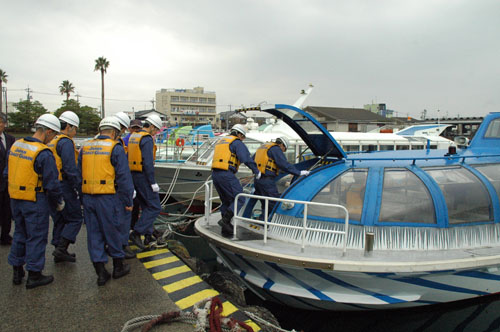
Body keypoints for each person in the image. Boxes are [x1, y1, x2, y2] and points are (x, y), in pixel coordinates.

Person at [6, 114, 64, 289]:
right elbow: (52, 183)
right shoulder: (43, 153)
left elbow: (6, 172)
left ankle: (17, 271)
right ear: (48, 131)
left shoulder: (16, 145)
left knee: (20, 233)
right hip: (35, 199)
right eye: (53, 135)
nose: (52, 139)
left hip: (15, 197)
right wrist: (58, 201)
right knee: (36, 236)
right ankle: (34, 274)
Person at [79, 117, 134, 286]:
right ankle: (118, 267)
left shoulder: (85, 147)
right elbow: (124, 177)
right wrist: (128, 201)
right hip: (108, 197)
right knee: (113, 231)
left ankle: (101, 272)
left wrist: (82, 198)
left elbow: (78, 173)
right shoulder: (114, 148)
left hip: (88, 196)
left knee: (94, 234)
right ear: (114, 132)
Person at [211, 124, 260, 237]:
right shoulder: (236, 142)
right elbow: (245, 158)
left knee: (227, 201)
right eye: (243, 137)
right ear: (239, 134)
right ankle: (226, 221)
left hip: (215, 174)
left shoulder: (222, 141)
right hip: (226, 174)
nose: (242, 139)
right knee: (240, 198)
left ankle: (226, 227)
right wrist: (256, 171)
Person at [48, 111, 83, 263]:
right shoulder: (66, 142)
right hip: (64, 185)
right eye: (75, 128)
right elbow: (70, 168)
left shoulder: (52, 140)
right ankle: (61, 248)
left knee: (60, 219)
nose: (75, 132)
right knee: (75, 218)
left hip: (51, 185)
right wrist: (79, 188)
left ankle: (58, 248)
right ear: (68, 126)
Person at [128, 114, 162, 250]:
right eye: (156, 130)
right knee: (155, 207)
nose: (156, 133)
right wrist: (152, 182)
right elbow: (147, 163)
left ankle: (148, 235)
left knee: (146, 206)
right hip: (143, 176)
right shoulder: (146, 139)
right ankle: (137, 233)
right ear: (152, 126)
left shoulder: (134, 136)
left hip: (133, 175)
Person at [254, 136, 310, 216]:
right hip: (267, 181)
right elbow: (284, 164)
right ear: (282, 145)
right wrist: (299, 172)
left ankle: (263, 221)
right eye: (285, 149)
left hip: (257, 180)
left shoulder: (264, 147)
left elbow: (252, 161)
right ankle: (270, 223)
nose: (283, 151)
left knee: (265, 203)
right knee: (274, 202)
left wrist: (256, 171)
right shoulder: (276, 149)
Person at [112, 112, 135, 259]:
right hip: (116, 188)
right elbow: (122, 172)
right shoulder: (116, 145)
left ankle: (112, 246)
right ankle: (121, 247)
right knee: (124, 216)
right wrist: (129, 194)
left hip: (99, 190)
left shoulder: (93, 143)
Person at [123, 119, 143, 234]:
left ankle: (133, 227)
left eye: (138, 128)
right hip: (127, 176)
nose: (135, 130)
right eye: (133, 128)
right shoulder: (125, 141)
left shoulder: (141, 140)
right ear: (129, 128)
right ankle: (129, 229)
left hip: (136, 177)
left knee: (136, 203)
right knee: (130, 204)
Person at [0, 114, 16, 245]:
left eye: (1, 122)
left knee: (7, 210)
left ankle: (5, 235)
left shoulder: (10, 139)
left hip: (8, 181)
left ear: (5, 124)